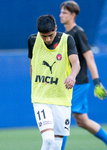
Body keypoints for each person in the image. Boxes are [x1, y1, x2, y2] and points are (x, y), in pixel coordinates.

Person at [59, 1, 107, 150]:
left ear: (73, 15)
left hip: (78, 82)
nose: (61, 15)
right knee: (82, 120)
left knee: (64, 117)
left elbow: (90, 58)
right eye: (61, 12)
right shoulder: (65, 35)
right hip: (69, 83)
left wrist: (97, 82)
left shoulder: (78, 32)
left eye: (64, 12)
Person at [28, 14, 80, 150]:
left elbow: (76, 63)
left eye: (50, 35)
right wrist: (35, 87)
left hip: (62, 98)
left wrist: (72, 76)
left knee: (57, 144)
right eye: (44, 36)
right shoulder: (32, 40)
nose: (47, 39)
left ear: (56, 28)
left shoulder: (67, 40)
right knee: (49, 140)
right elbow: (32, 65)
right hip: (41, 98)